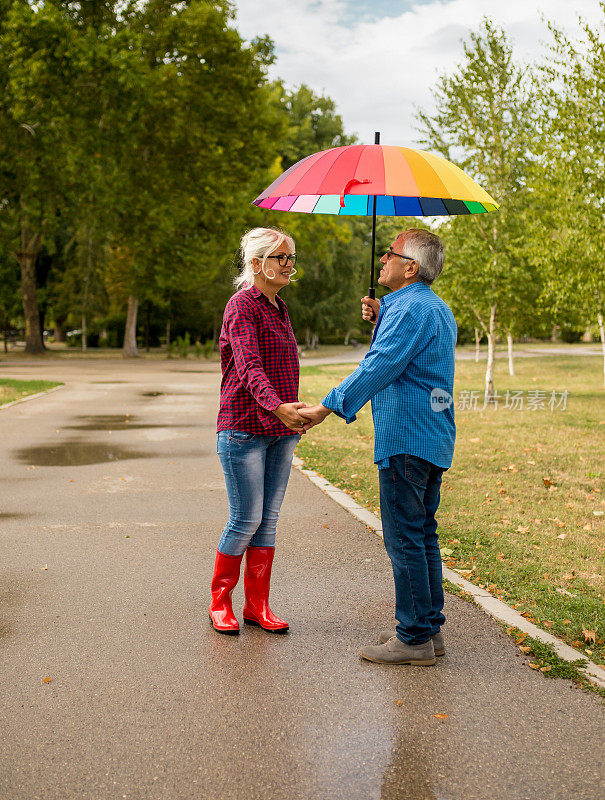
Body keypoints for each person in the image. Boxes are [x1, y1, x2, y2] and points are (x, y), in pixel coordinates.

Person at [299, 229, 456, 666]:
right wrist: (382, 315)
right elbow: (407, 353)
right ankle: (428, 629)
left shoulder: (408, 308)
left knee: (405, 537)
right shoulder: (431, 307)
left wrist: (327, 407)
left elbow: (381, 364)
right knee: (421, 533)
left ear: (411, 267)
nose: (382, 258)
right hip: (431, 436)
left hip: (407, 437)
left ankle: (413, 639)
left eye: (391, 253)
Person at [209, 227, 308, 635]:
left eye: (291, 257)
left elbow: (284, 369)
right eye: (281, 257)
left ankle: (257, 606)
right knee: (245, 518)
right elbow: (249, 366)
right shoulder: (241, 306)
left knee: (268, 521)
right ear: (256, 264)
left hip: (281, 431)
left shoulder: (278, 307)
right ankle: (220, 603)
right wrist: (278, 407)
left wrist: (292, 410)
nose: (288, 264)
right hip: (245, 428)